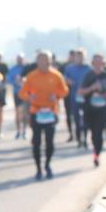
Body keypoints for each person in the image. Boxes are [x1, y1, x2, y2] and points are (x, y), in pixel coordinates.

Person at [19, 50, 69, 180]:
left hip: (51, 112)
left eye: (46, 59)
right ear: (37, 61)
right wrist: (30, 97)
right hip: (36, 112)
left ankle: (47, 165)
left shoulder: (56, 75)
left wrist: (57, 95)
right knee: (36, 142)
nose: (43, 62)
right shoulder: (31, 76)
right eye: (40, 59)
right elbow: (22, 93)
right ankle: (38, 168)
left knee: (49, 142)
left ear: (50, 61)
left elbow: (65, 90)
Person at [78, 54, 106, 167]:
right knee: (93, 133)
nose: (98, 65)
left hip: (103, 109)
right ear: (92, 64)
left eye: (100, 63)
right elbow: (81, 91)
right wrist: (92, 88)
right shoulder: (88, 76)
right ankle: (93, 149)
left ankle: (96, 155)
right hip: (90, 109)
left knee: (99, 133)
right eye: (96, 63)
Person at [63, 48, 91, 147]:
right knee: (76, 118)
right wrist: (68, 81)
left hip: (86, 97)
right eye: (78, 56)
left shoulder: (88, 68)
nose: (80, 58)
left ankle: (86, 138)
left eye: (82, 56)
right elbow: (64, 79)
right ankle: (79, 139)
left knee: (86, 118)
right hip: (74, 97)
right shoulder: (69, 68)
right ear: (74, 57)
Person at [7, 53, 28, 139]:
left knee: (25, 112)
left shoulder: (27, 68)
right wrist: (16, 81)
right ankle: (18, 131)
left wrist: (24, 81)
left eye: (21, 58)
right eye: (18, 58)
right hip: (17, 93)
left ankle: (24, 131)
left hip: (26, 93)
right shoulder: (13, 69)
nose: (20, 60)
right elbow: (9, 80)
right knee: (17, 112)